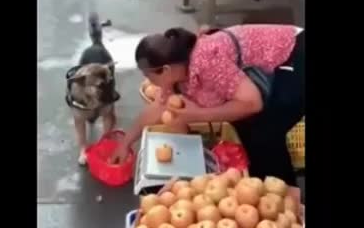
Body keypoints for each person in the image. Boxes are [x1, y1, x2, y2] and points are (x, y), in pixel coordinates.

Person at [112, 24, 305, 186]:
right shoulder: (177, 75)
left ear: (166, 69)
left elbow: (253, 103)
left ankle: (287, 201)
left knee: (263, 131)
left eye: (148, 75)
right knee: (244, 126)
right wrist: (125, 143)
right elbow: (156, 109)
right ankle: (261, 185)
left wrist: (198, 115)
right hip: (271, 69)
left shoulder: (206, 60)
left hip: (293, 54)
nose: (148, 81)